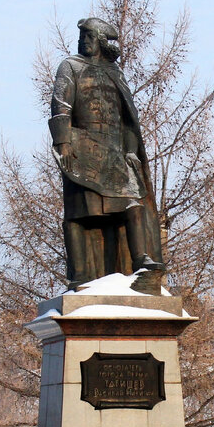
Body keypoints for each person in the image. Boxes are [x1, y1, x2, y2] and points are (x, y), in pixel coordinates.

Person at [49, 17, 164, 291]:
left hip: (114, 150)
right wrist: (63, 143)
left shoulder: (115, 72)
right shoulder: (70, 66)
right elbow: (61, 104)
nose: (84, 41)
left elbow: (127, 117)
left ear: (100, 40)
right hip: (83, 146)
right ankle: (79, 277)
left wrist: (131, 150)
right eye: (82, 36)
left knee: (132, 204)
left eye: (89, 36)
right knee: (79, 213)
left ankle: (142, 263)